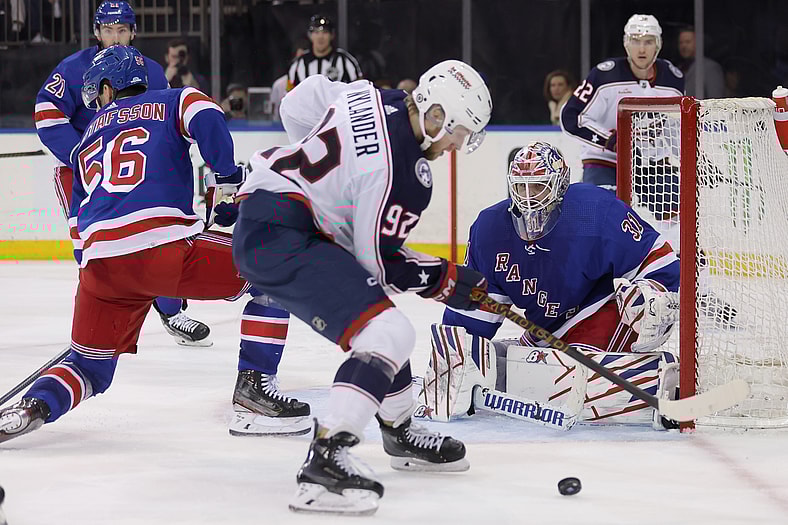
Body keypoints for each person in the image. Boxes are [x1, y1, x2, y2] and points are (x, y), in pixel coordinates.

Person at [1, 46, 310, 445]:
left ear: (108, 88)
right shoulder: (171, 100)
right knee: (277, 270)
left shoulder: (86, 139)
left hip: (100, 268)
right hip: (162, 250)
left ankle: (34, 406)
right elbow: (207, 113)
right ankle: (254, 390)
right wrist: (227, 179)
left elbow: (78, 224)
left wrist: (121, 280)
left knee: (90, 368)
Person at [232, 60, 492, 515]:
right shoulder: (406, 176)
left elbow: (297, 103)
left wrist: (319, 184)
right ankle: (326, 459)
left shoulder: (368, 94)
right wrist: (445, 279)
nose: (456, 146)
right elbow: (379, 264)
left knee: (382, 320)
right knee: (388, 332)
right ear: (436, 116)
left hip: (270, 215)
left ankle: (398, 429)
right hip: (281, 237)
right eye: (459, 133)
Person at [421, 142, 681, 429]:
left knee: (570, 375)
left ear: (560, 185)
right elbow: (474, 313)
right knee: (505, 364)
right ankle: (630, 380)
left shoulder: (593, 210)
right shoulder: (490, 229)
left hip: (600, 310)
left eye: (538, 186)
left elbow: (661, 261)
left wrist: (651, 298)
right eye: (521, 187)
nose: (528, 198)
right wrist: (453, 355)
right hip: (545, 330)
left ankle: (657, 380)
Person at [33, 0, 211, 346]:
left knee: (161, 233)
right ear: (97, 32)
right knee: (89, 239)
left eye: (122, 30)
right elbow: (47, 113)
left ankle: (172, 311)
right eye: (108, 30)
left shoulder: (151, 71)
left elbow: (166, 121)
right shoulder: (74, 68)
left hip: (132, 168)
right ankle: (94, 319)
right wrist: (82, 154)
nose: (115, 37)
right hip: (83, 171)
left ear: (133, 32)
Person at [560, 14, 684, 189]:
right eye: (635, 41)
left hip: (653, 164)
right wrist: (611, 141)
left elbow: (676, 128)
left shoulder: (672, 79)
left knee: (676, 203)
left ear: (658, 44)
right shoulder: (604, 76)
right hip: (605, 160)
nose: (642, 49)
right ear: (626, 43)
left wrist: (693, 160)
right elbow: (571, 117)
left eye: (648, 42)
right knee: (598, 204)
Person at [286, 14, 362, 91]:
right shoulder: (298, 64)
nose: (320, 37)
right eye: (316, 32)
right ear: (310, 35)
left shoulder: (345, 61)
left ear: (332, 35)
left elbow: (360, 90)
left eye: (325, 32)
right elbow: (289, 93)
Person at [677, 26, 725, 99]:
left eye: (688, 42)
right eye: (681, 43)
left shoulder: (710, 68)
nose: (683, 46)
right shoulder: (678, 68)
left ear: (698, 43)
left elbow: (716, 99)